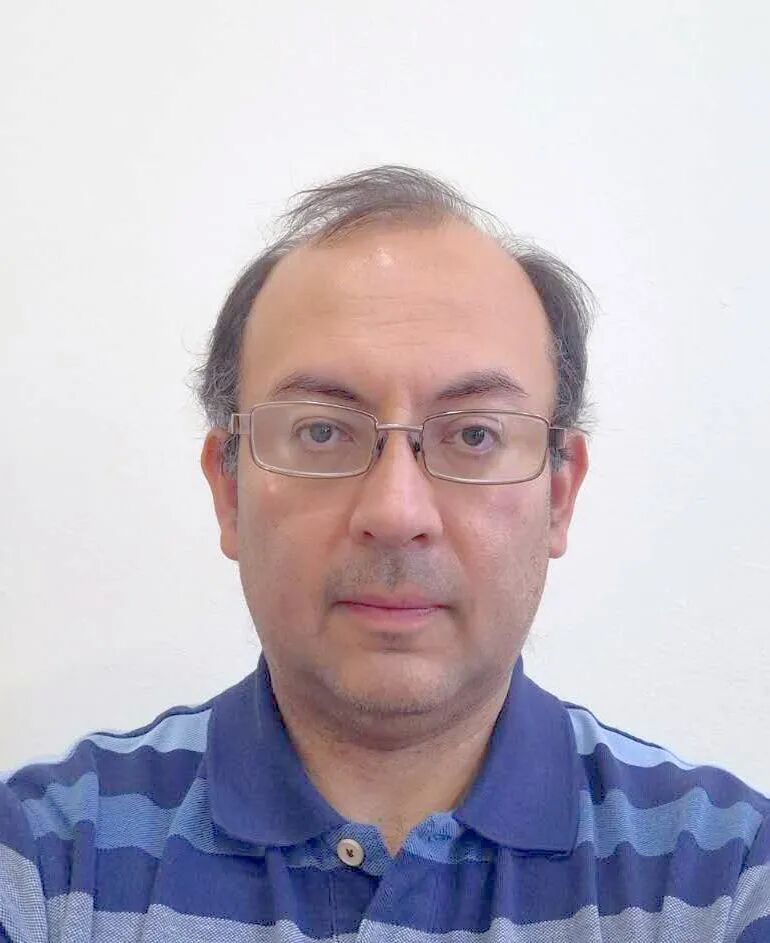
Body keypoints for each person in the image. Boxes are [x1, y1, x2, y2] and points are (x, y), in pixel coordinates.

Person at [1, 165, 767, 942]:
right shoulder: (45, 858)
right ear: (228, 489)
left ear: (559, 495)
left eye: (475, 434)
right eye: (321, 431)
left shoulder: (726, 874)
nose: (396, 513)